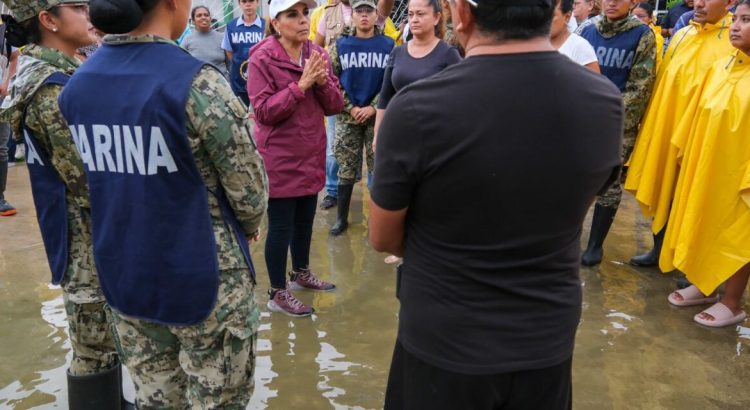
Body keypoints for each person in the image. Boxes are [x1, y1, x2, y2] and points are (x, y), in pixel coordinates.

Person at [369, 0, 622, 406]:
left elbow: (383, 237)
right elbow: (576, 207)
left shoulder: (417, 109)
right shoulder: (605, 102)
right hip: (545, 340)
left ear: (461, 15)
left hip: (444, 341)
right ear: (550, 12)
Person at [58, 0, 269, 407]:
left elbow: (89, 184)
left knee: (156, 399)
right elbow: (249, 191)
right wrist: (247, 224)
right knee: (218, 399)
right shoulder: (195, 81)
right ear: (173, 4)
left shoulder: (77, 86)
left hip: (125, 272)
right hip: (204, 276)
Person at [0, 0, 131, 408]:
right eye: (78, 7)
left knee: (98, 335)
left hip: (83, 230)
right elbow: (89, 181)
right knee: (94, 341)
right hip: (85, 236)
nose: (90, 14)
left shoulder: (52, 70)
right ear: (48, 20)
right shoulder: (53, 85)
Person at [248, 0, 344, 317]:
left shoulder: (316, 55)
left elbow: (334, 105)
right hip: (280, 156)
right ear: (276, 23)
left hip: (310, 150)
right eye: (293, 14)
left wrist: (320, 82)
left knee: (305, 220)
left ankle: (300, 272)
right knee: (280, 227)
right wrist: (301, 85)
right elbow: (263, 112)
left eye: (305, 13)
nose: (303, 20)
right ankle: (277, 292)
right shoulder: (262, 58)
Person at [624, 0, 735, 267]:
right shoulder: (682, 35)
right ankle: (659, 249)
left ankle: (691, 261)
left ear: (730, 2)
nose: (698, 3)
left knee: (697, 196)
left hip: (704, 134)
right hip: (669, 127)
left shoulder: (732, 40)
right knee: (663, 186)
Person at [662, 0, 749, 327]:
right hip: (710, 164)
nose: (737, 26)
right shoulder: (723, 65)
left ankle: (732, 301)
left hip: (741, 174)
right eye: (737, 18)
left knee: (738, 235)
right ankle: (705, 282)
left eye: (747, 20)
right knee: (705, 220)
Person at [579, 0, 657, 266]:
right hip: (580, 118)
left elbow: (640, 87)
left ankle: (595, 246)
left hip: (616, 123)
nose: (611, 2)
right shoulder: (587, 30)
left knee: (609, 184)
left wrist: (608, 114)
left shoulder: (642, 35)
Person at [314, 0, 394, 211]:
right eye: (360, 11)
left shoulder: (388, 45)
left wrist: (374, 106)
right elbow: (331, 78)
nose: (364, 15)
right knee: (340, 160)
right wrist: (350, 107)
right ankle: (339, 211)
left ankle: (378, 211)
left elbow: (392, 80)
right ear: (353, 15)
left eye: (369, 11)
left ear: (376, 14)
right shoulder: (340, 42)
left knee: (378, 164)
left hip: (377, 114)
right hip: (346, 112)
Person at [374, 0, 461, 147]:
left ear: (436, 18)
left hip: (436, 139)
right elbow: (385, 97)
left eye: (420, 14)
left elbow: (462, 98)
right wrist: (378, 133)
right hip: (399, 134)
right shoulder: (397, 52)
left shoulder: (448, 54)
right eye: (411, 14)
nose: (414, 19)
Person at [222, 0, 265, 106]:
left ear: (257, 2)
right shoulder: (231, 26)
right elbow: (229, 51)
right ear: (239, 3)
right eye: (244, 1)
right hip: (238, 81)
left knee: (261, 117)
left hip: (262, 81)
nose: (248, 4)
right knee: (242, 116)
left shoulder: (266, 26)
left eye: (251, 1)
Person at [0, 19, 18, 217]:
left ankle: (0, 197)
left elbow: (15, 57)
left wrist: (7, 82)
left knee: (1, 148)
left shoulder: (4, 29)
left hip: (0, 96)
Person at [551, 0, 600, 71]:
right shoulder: (534, 43)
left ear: (567, 17)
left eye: (552, 16)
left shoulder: (581, 47)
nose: (545, 20)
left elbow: (594, 81)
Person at [182, 5, 229, 77]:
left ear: (210, 18)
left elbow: (230, 65)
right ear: (193, 20)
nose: (203, 17)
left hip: (222, 85)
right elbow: (182, 65)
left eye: (206, 15)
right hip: (197, 86)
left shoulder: (222, 38)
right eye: (199, 15)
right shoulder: (187, 40)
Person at [633, 2, 664, 67]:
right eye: (633, 16)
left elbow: (653, 64)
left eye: (640, 16)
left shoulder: (656, 38)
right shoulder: (628, 32)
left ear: (650, 18)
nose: (636, 19)